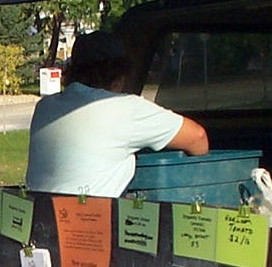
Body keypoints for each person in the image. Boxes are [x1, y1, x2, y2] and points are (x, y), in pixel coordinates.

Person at [25, 30, 208, 198]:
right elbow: (198, 138)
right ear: (120, 75)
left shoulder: (45, 107)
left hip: (41, 222)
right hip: (89, 226)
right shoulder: (125, 109)